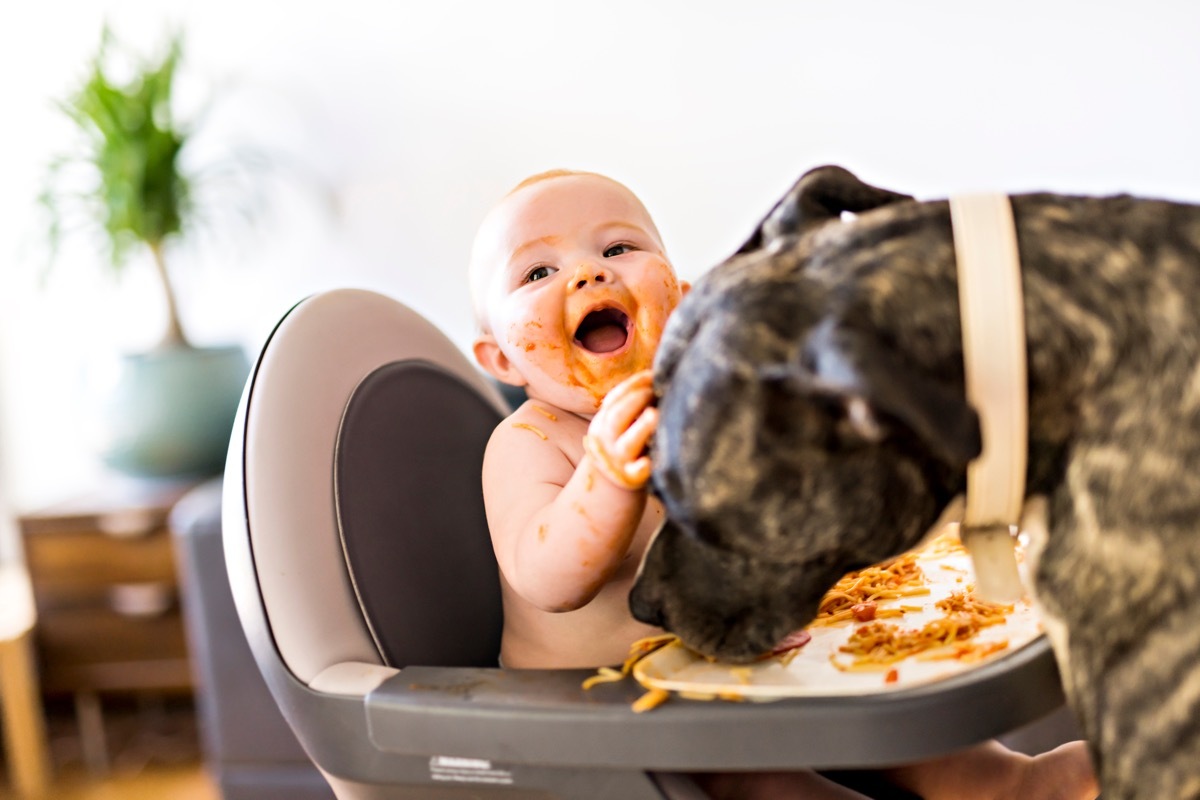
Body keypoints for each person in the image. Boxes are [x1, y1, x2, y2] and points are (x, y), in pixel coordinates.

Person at [469, 168, 1098, 800]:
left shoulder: (691, 408)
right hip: (598, 707)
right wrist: (605, 478)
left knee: (873, 697)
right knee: (761, 776)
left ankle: (1008, 784)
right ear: (499, 357)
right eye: (537, 273)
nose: (589, 273)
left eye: (617, 249)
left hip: (715, 669)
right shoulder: (528, 443)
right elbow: (548, 580)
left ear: (682, 301)